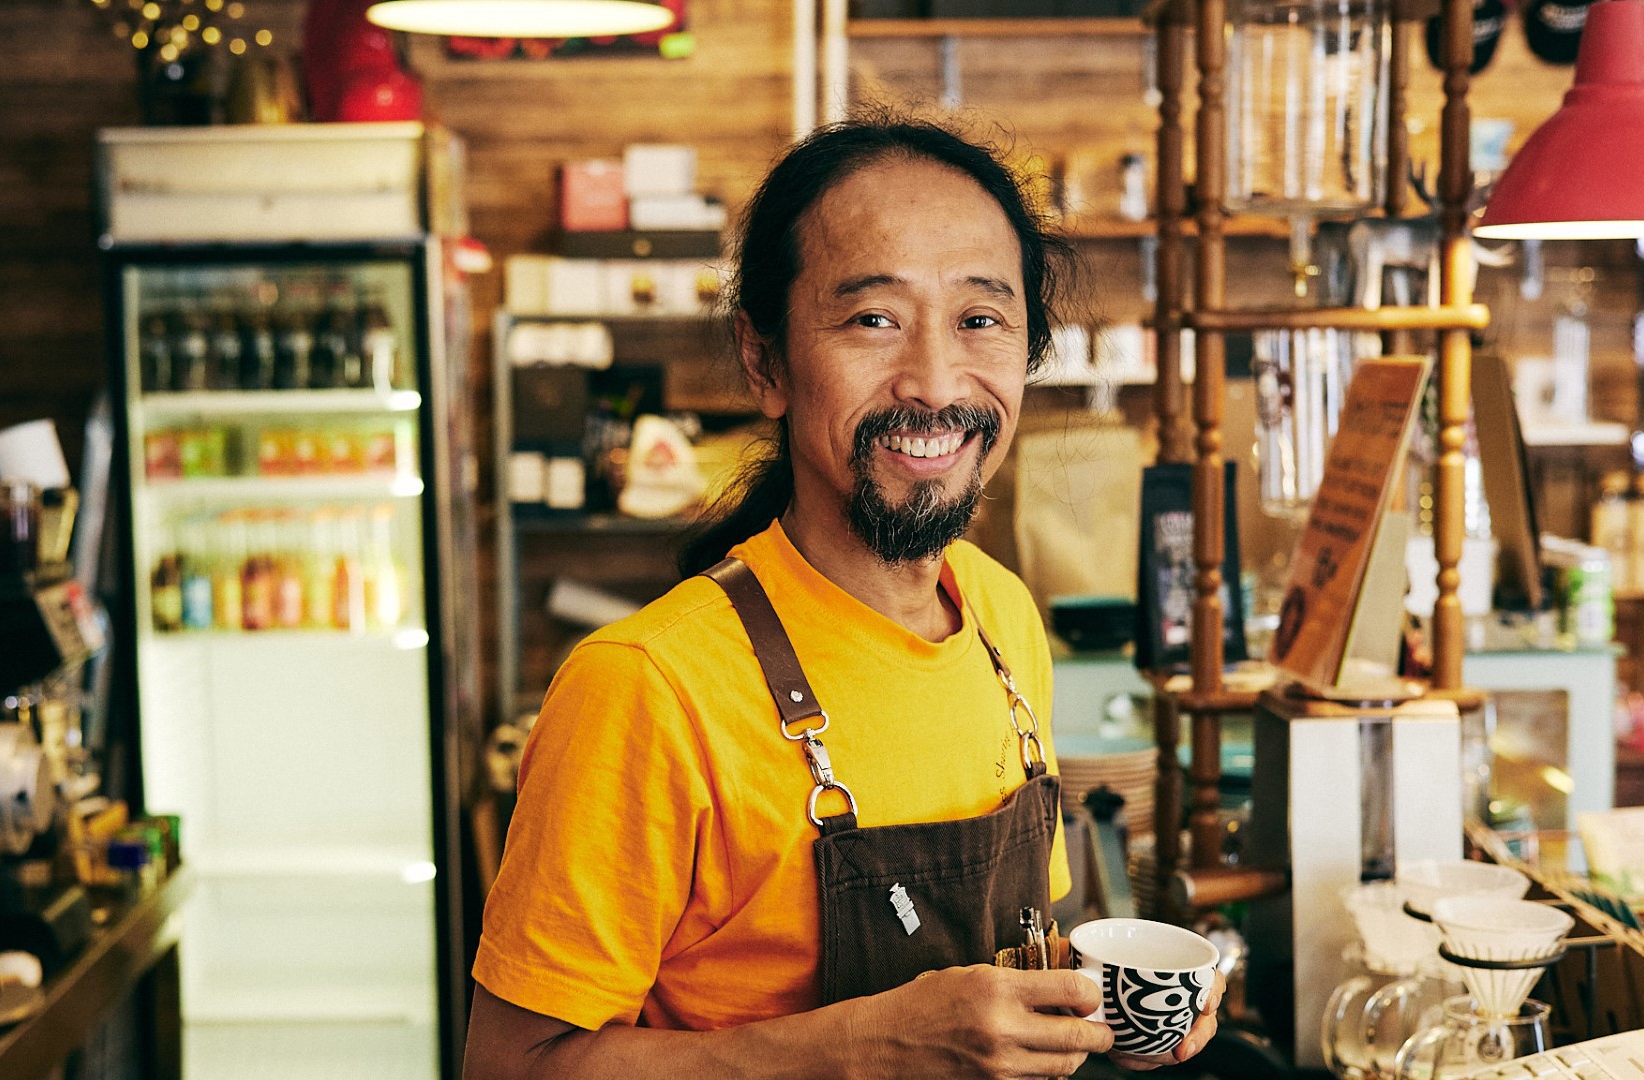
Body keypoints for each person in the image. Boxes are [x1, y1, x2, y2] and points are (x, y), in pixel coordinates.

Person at [464, 116, 1219, 1079]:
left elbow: (1023, 946)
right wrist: (857, 1046)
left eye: (980, 319)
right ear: (766, 362)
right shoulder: (648, 690)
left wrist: (1105, 1003)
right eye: (873, 319)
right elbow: (511, 1065)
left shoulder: (1000, 614)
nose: (936, 381)